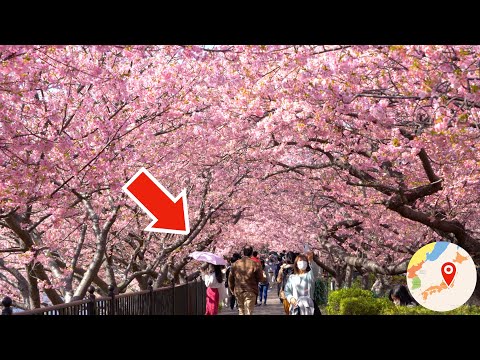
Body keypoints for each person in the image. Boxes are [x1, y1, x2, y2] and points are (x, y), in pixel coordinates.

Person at [228, 245, 266, 315]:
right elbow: (260, 278)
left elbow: (230, 278)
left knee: (241, 311)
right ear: (251, 253)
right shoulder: (255, 264)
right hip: (250, 290)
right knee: (248, 312)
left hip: (238, 290)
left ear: (243, 252)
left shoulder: (235, 264)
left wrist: (232, 289)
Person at [284, 251, 321, 315]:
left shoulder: (310, 275)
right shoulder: (292, 277)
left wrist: (311, 260)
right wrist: (291, 298)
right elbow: (287, 291)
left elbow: (315, 270)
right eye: (300, 260)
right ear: (296, 264)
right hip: (296, 305)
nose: (302, 262)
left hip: (309, 305)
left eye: (304, 260)